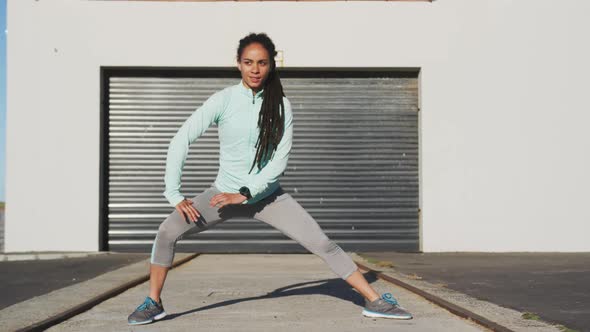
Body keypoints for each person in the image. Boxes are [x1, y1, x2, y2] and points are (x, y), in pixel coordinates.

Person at [127, 32, 413, 325]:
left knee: (322, 242)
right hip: (221, 196)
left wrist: (246, 193)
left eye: (262, 63)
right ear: (238, 63)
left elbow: (279, 160)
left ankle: (375, 301)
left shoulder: (281, 106)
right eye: (248, 62)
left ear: (271, 65)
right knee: (166, 232)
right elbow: (181, 139)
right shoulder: (223, 100)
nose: (255, 69)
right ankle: (154, 303)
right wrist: (174, 194)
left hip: (268, 198)